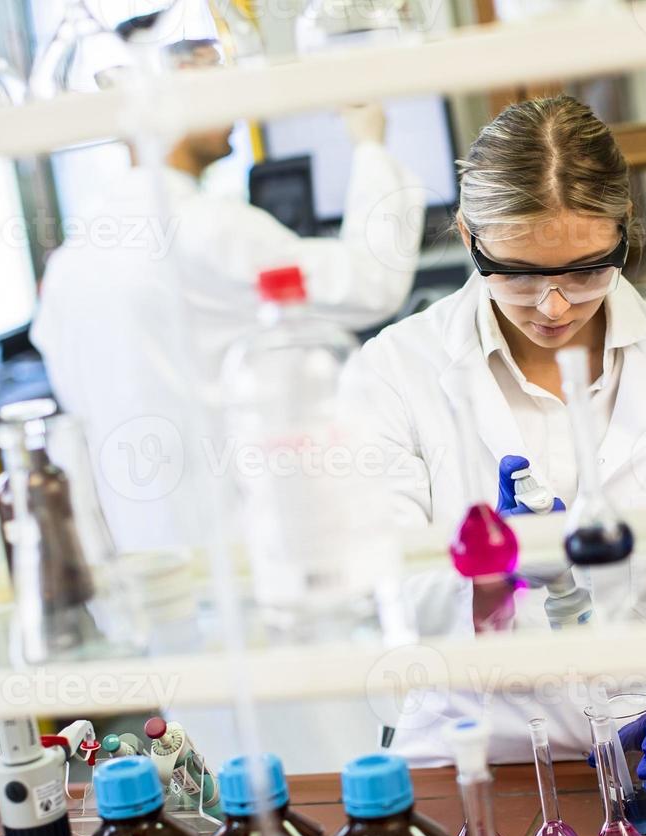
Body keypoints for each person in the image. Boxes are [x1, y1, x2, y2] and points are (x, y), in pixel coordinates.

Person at [352, 96, 646, 787]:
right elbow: (387, 604)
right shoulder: (395, 373)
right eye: (517, 274)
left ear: (623, 230)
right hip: (482, 761)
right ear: (467, 236)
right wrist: (486, 579)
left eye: (586, 270)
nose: (554, 307)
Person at [30, 37, 427, 554]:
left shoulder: (72, 259)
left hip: (139, 559)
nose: (233, 105)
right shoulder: (208, 229)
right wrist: (370, 144)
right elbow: (369, 284)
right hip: (239, 545)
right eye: (215, 85)